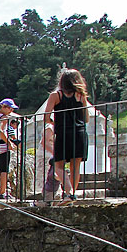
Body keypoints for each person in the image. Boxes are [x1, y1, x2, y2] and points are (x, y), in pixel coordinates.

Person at [44, 68, 91, 202]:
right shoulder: (81, 96)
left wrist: (54, 123)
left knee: (58, 166)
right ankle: (72, 195)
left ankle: (68, 191)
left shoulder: (56, 96)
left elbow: (46, 117)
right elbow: (86, 118)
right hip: (80, 133)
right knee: (75, 167)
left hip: (63, 133)